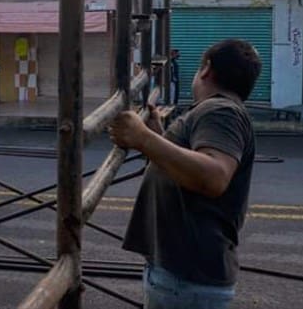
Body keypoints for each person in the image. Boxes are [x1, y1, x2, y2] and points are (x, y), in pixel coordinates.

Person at [109, 39, 261, 309]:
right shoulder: (217, 111)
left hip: (186, 282)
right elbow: (188, 169)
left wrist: (143, 139)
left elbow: (213, 177)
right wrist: (159, 137)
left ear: (206, 69)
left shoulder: (220, 110)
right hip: (184, 278)